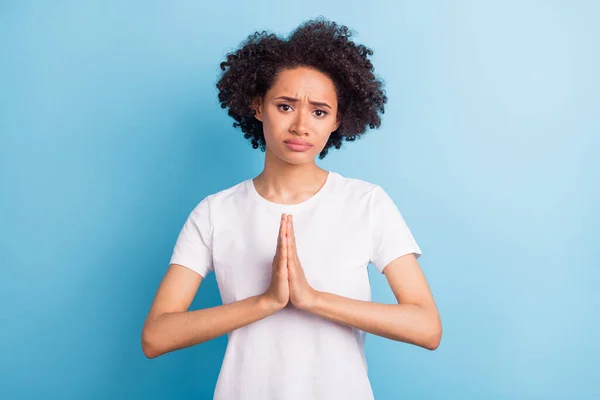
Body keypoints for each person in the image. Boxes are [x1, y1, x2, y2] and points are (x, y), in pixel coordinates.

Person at [141, 16, 442, 400]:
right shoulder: (215, 212)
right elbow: (156, 336)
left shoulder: (366, 203)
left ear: (337, 120)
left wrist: (312, 299)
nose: (301, 125)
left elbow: (426, 326)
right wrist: (265, 302)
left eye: (319, 112)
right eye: (285, 106)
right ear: (257, 106)